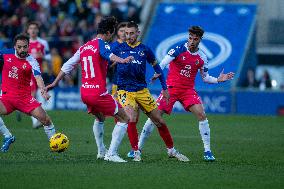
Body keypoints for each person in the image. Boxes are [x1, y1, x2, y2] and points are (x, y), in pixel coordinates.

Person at [137, 26, 235, 161]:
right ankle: (137, 149)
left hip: (188, 90)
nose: (192, 41)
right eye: (190, 38)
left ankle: (207, 151)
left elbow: (205, 78)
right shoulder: (178, 50)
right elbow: (163, 63)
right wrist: (157, 73)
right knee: (155, 116)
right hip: (171, 88)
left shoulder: (202, 57)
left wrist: (218, 79)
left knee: (202, 114)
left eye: (195, 39)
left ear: (200, 40)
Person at [46, 17, 133, 163]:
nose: (112, 36)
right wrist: (122, 60)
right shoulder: (102, 44)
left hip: (85, 92)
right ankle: (111, 154)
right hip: (98, 93)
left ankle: (101, 151)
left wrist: (55, 82)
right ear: (108, 32)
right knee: (125, 118)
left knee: (100, 117)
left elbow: (68, 64)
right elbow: (108, 55)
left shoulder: (85, 46)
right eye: (112, 33)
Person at [112, 21, 189, 162]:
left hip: (142, 90)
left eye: (131, 33)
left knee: (159, 121)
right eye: (126, 33)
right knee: (131, 118)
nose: (128, 36)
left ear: (138, 33)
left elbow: (158, 68)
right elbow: (105, 59)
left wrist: (164, 88)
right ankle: (135, 152)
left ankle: (171, 150)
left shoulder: (145, 49)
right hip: (124, 90)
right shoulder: (118, 48)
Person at [0, 34, 56, 152]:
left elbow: (38, 77)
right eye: (19, 47)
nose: (22, 50)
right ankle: (8, 136)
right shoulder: (5, 54)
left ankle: (55, 144)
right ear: (15, 46)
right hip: (7, 97)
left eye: (25, 47)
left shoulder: (31, 60)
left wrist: (43, 90)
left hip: (24, 98)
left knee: (46, 120)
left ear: (28, 46)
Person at [24, 21, 52, 128]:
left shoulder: (43, 43)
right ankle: (36, 121)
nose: (33, 30)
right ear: (27, 30)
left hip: (38, 73)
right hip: (26, 73)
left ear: (38, 30)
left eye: (35, 28)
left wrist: (43, 57)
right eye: (31, 28)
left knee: (37, 94)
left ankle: (38, 118)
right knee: (33, 94)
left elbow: (49, 58)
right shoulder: (25, 43)